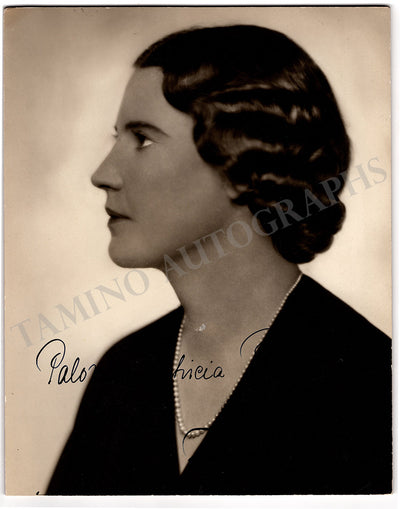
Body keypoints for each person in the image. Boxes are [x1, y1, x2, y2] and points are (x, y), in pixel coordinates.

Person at [46, 24, 392, 495]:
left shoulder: (371, 384)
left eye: (143, 139)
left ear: (244, 161)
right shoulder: (123, 373)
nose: (102, 174)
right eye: (116, 138)